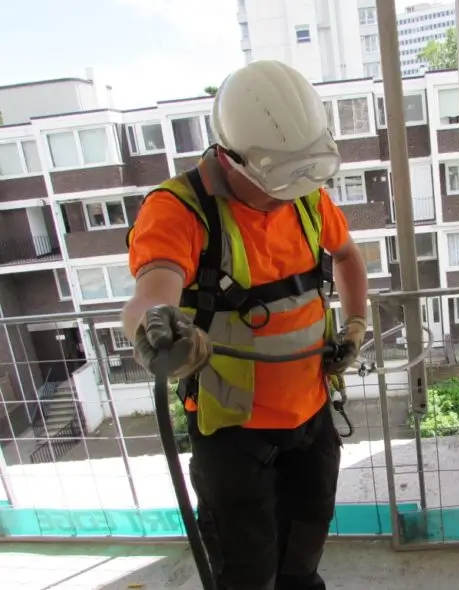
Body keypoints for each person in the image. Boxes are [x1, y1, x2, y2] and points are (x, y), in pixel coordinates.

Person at [122, 60, 369, 590]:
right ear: (229, 157)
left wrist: (355, 325)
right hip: (234, 435)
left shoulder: (306, 196)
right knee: (248, 573)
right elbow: (152, 290)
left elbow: (348, 257)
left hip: (311, 419)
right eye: (275, 181)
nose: (287, 194)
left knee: (303, 560)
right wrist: (155, 328)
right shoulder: (178, 211)